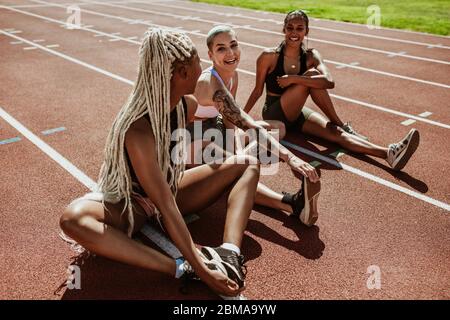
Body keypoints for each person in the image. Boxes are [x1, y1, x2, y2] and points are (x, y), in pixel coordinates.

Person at [59, 28, 261, 297]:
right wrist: (200, 268)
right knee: (72, 218)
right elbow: (164, 204)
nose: (203, 67)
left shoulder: (181, 105)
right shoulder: (138, 128)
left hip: (171, 190)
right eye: (198, 61)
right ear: (182, 73)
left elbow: (224, 110)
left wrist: (262, 135)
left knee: (247, 162)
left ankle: (230, 252)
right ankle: (178, 268)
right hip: (134, 206)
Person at [244, 10, 420, 171]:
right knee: (313, 76)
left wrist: (293, 79)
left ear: (307, 31)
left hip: (297, 115)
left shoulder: (312, 56)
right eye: (290, 28)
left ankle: (388, 153)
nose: (294, 33)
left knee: (336, 134)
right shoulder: (268, 56)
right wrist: (240, 119)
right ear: (283, 29)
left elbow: (329, 81)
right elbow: (257, 91)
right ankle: (341, 124)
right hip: (275, 112)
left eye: (299, 28)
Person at [186, 25, 321, 227]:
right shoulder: (208, 83)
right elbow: (245, 121)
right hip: (190, 138)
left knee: (277, 129)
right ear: (211, 55)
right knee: (241, 167)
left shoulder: (232, 75)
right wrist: (289, 157)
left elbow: (231, 120)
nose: (230, 53)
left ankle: (244, 158)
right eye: (221, 49)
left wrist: (239, 152)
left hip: (215, 127)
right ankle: (292, 205)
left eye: (233, 45)